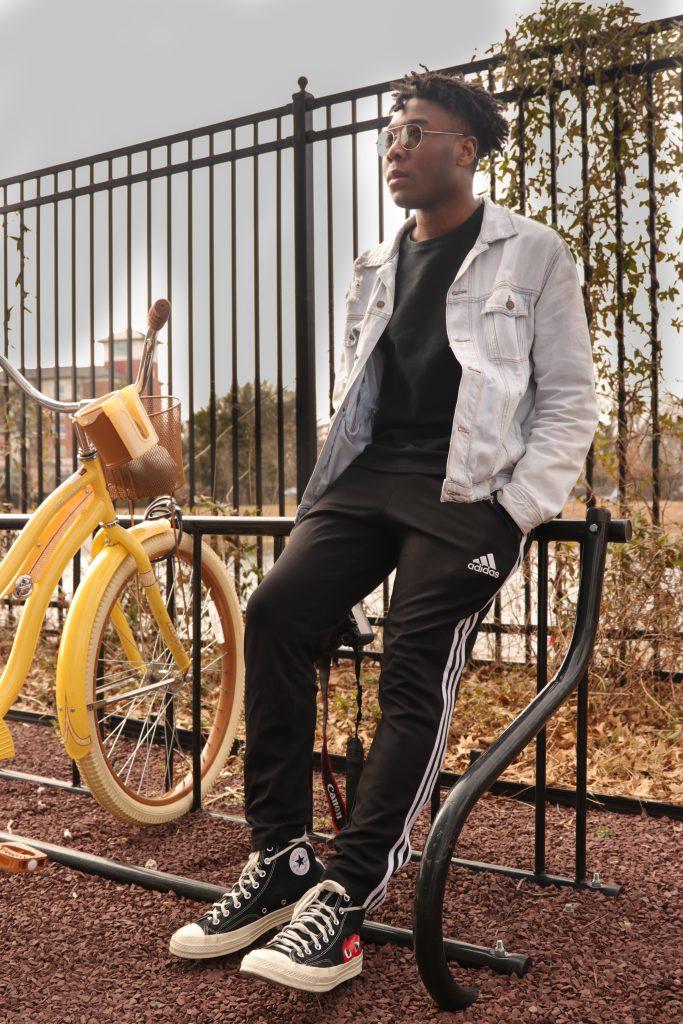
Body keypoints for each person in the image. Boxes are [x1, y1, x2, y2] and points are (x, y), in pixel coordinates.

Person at [169, 69, 599, 993]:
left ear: (465, 150)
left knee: (414, 657)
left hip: (465, 493)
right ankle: (282, 858)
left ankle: (346, 896)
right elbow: (355, 392)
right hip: (365, 483)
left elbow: (569, 399)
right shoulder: (376, 263)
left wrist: (515, 509)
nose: (395, 149)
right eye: (389, 136)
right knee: (275, 609)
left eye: (414, 131)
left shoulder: (531, 255)